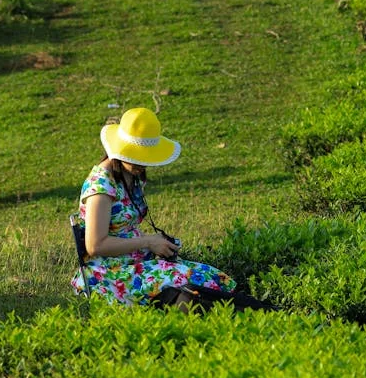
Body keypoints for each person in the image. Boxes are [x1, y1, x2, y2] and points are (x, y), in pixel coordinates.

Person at [70, 107, 254, 309]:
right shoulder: (101, 187)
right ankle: (187, 317)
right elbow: (96, 245)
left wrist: (154, 243)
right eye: (137, 157)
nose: (143, 164)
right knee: (188, 281)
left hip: (134, 261)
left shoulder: (128, 175)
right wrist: (148, 242)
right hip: (110, 272)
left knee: (210, 275)